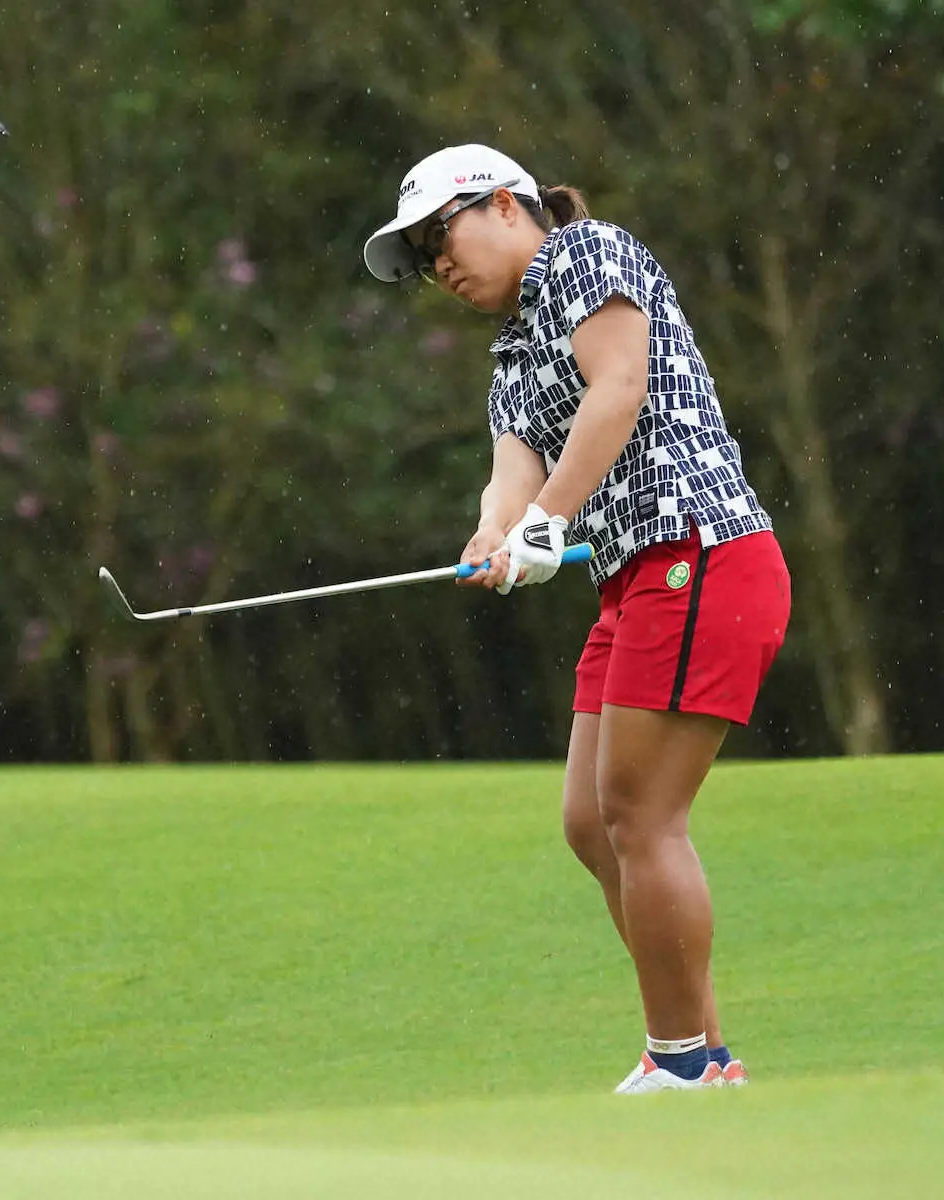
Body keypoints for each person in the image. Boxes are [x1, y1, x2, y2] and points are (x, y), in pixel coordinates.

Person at [364, 144, 791, 1092]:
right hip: (637, 579)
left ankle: (680, 1062)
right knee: (590, 826)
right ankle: (707, 1054)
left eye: (443, 234)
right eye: (422, 256)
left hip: (700, 549)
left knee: (641, 814)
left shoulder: (588, 253)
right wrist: (493, 538)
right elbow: (511, 475)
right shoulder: (512, 346)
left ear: (509, 206)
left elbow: (618, 389)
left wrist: (549, 523)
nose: (439, 264)